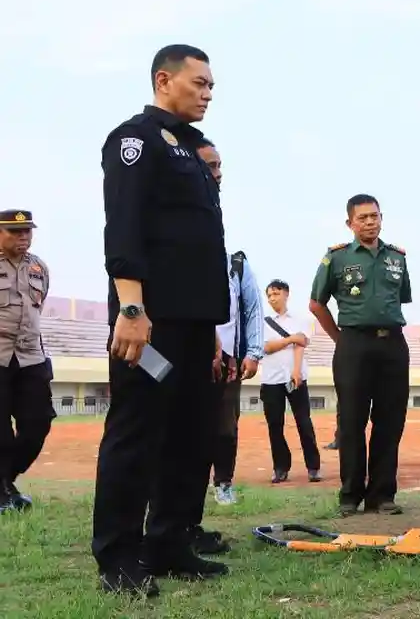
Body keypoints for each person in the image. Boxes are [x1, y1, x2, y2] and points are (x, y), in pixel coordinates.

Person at [92, 44, 231, 596]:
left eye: (212, 85)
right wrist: (131, 308)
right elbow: (123, 228)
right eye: (199, 82)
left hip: (195, 323)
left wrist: (213, 330)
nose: (208, 92)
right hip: (152, 321)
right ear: (163, 79)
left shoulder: (195, 151)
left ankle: (171, 541)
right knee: (137, 432)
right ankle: (118, 557)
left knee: (190, 435)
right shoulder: (136, 140)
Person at [309, 194, 412, 517]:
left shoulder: (397, 257)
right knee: (352, 421)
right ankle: (350, 495)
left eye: (375, 216)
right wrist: (339, 338)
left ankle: (382, 495)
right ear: (350, 223)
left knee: (390, 421)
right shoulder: (336, 258)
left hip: (393, 345)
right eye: (363, 217)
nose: (370, 222)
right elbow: (316, 304)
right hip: (354, 345)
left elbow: (402, 298)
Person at [195, 139, 263, 512]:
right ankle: (184, 487)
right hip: (190, 356)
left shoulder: (235, 265)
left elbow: (252, 310)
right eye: (211, 166)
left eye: (220, 166)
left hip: (229, 362)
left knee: (225, 426)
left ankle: (223, 483)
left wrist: (252, 352)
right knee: (186, 425)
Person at [0, 209, 55, 514]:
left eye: (26, 232)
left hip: (31, 357)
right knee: (1, 434)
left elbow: (38, 305)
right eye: (14, 232)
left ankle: (5, 480)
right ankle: (4, 494)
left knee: (38, 423)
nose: (23, 237)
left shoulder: (39, 268)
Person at [261, 279, 322, 485]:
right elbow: (266, 347)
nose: (272, 298)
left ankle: (313, 467)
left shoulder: (300, 319)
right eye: (269, 295)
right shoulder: (263, 321)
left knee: (304, 422)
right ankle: (280, 468)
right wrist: (289, 340)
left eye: (276, 294)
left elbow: (301, 343)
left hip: (296, 378)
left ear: (286, 294)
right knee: (275, 426)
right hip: (271, 380)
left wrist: (296, 370)